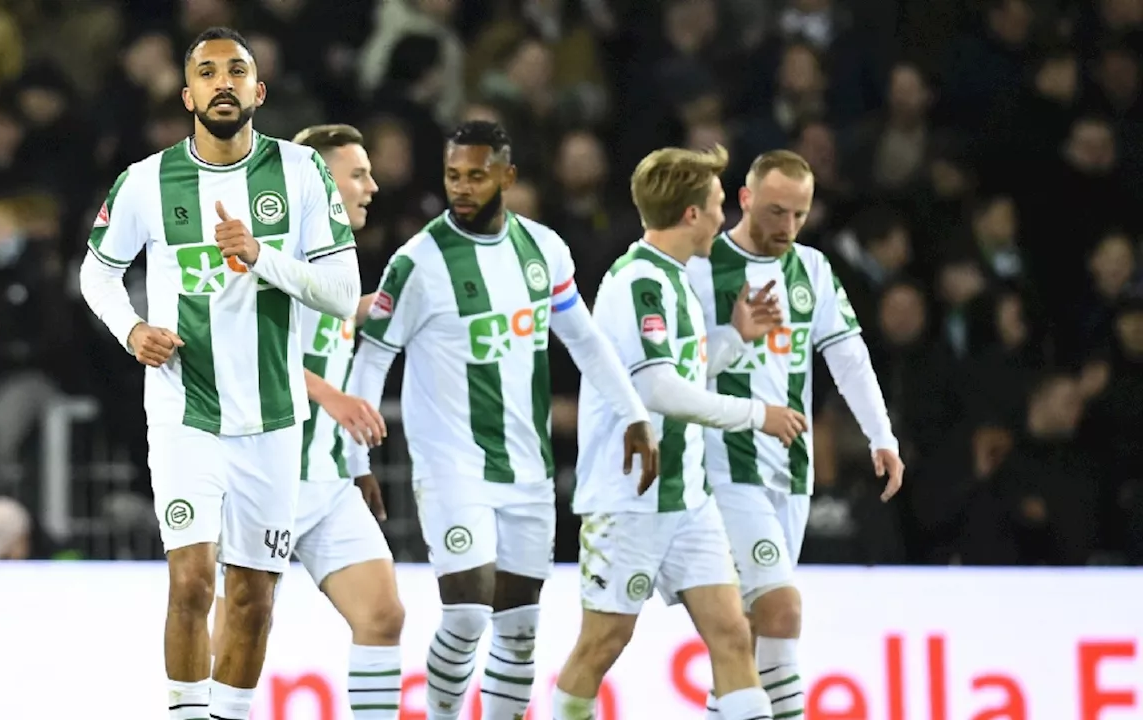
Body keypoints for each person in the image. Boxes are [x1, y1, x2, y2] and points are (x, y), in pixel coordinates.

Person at [77, 27, 361, 720]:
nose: (223, 82)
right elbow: (98, 272)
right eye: (207, 73)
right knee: (193, 581)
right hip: (184, 412)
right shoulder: (147, 180)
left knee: (253, 599)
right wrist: (134, 328)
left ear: (259, 91)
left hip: (270, 417)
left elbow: (342, 291)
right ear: (187, 95)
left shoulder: (299, 173)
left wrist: (261, 256)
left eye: (237, 71)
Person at [345, 120, 660, 720]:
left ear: (507, 177)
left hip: (527, 470)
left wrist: (634, 415)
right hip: (451, 467)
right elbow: (374, 357)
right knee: (466, 613)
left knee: (518, 633)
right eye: (453, 176)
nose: (461, 188)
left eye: (476, 175)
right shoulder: (418, 262)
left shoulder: (543, 250)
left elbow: (585, 340)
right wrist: (356, 460)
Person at [552, 145, 807, 720]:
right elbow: (659, 391)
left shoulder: (676, 279)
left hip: (688, 499)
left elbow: (684, 371)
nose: (725, 216)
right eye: (718, 204)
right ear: (691, 214)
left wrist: (735, 336)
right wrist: (754, 413)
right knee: (602, 644)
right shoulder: (639, 283)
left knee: (732, 635)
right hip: (630, 499)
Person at [686, 149, 905, 720]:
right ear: (746, 198)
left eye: (799, 215)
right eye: (776, 211)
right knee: (781, 613)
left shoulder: (811, 269)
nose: (787, 227)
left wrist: (881, 435)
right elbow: (677, 373)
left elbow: (849, 357)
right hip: (726, 469)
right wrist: (733, 334)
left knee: (756, 632)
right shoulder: (701, 266)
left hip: (793, 469)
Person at [209, 123, 405, 720]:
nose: (372, 186)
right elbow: (239, 348)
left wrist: (354, 461)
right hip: (264, 475)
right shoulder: (266, 248)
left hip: (323, 477)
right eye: (357, 174)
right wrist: (332, 398)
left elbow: (326, 331)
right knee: (247, 622)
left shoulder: (335, 262)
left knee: (382, 615)